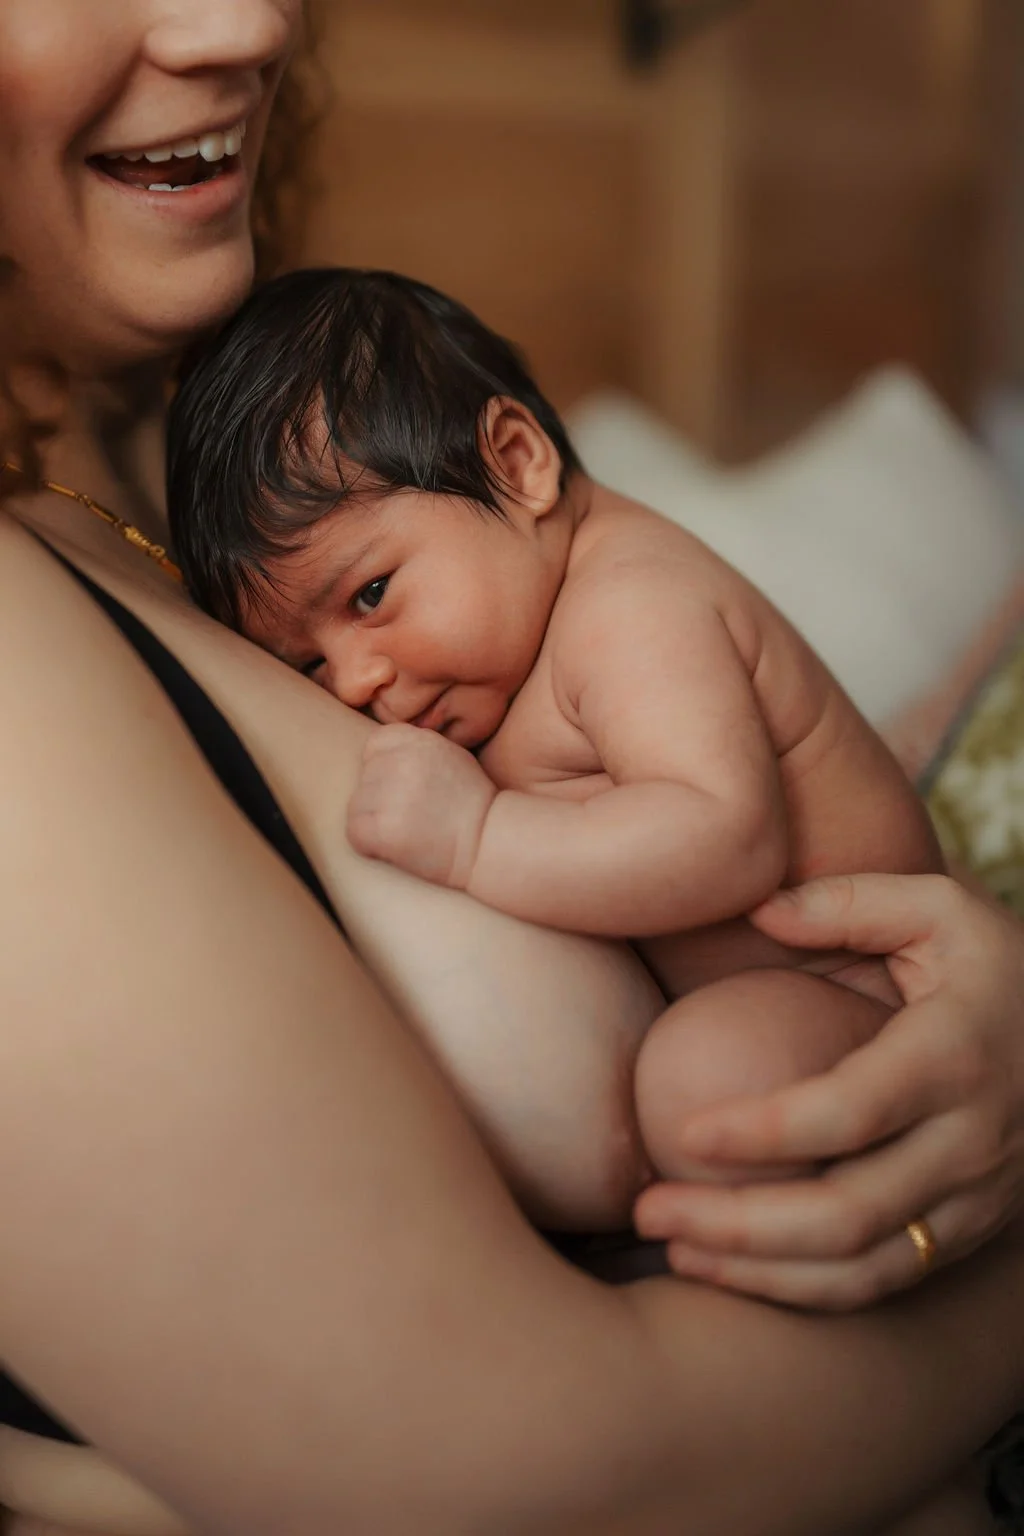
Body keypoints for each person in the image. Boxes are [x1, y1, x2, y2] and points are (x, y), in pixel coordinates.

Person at [2, 3, 1024, 1533]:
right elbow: (521, 1490)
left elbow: (736, 810)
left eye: (363, 605)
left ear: (521, 469)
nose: (251, 17)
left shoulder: (178, 419)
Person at [167, 264, 943, 1211]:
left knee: (705, 1076)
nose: (357, 681)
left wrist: (478, 838)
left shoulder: (630, 603)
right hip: (779, 991)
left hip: (872, 991)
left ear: (518, 463)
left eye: (370, 594)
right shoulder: (504, 649)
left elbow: (727, 839)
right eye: (308, 667)